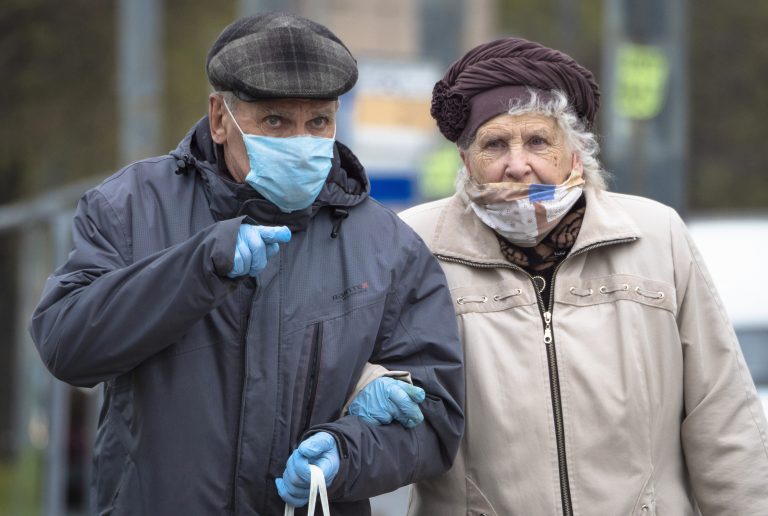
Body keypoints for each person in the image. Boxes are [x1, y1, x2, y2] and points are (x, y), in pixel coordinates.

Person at [28, 12, 464, 515]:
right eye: (275, 121)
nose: (300, 143)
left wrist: (350, 454)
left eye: (318, 121)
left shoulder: (386, 243)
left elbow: (435, 417)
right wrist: (197, 267)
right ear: (220, 118)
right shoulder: (129, 206)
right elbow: (67, 345)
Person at [391, 37, 768, 515]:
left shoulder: (656, 236)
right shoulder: (415, 245)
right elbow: (365, 380)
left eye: (538, 141)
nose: (518, 164)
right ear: (466, 163)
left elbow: (722, 417)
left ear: (575, 155)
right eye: (494, 144)